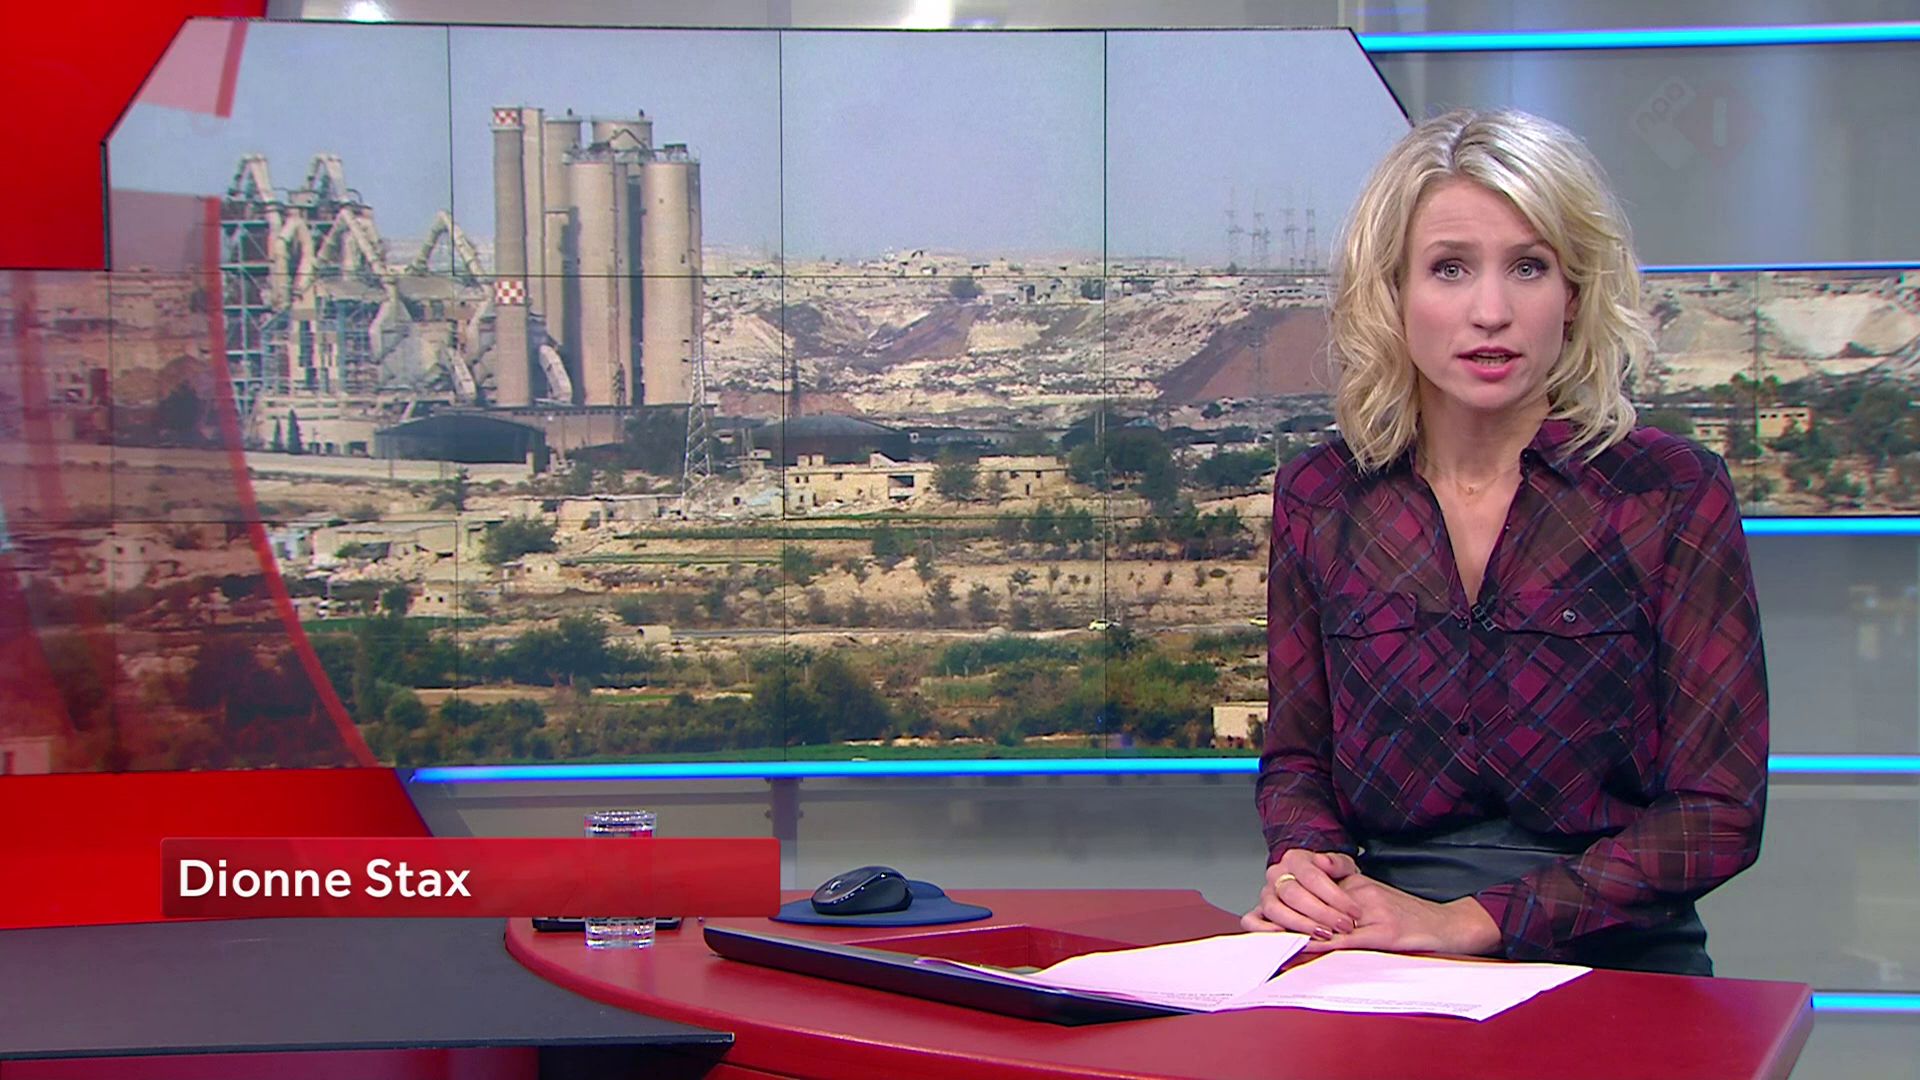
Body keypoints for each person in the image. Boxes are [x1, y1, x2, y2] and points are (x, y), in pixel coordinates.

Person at [1242, 108, 1767, 976]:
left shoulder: (1667, 491)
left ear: (1575, 293)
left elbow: (1718, 813)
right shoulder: (1322, 496)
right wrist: (1308, 864)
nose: (1491, 312)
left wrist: (1473, 921)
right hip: (1381, 946)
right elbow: (1299, 759)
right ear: (1392, 292)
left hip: (1616, 954)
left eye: (1529, 267)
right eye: (1449, 269)